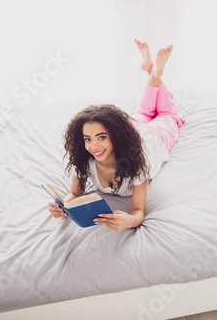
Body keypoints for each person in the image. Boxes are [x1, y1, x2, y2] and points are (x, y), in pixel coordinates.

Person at [48, 39, 185, 231]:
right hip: (132, 129)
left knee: (168, 115)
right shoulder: (84, 159)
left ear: (114, 135)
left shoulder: (138, 162)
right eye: (88, 139)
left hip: (152, 139)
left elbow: (137, 211)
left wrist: (130, 220)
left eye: (101, 137)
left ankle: (154, 74)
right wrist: (63, 204)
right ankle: (152, 73)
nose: (94, 147)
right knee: (142, 113)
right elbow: (74, 194)